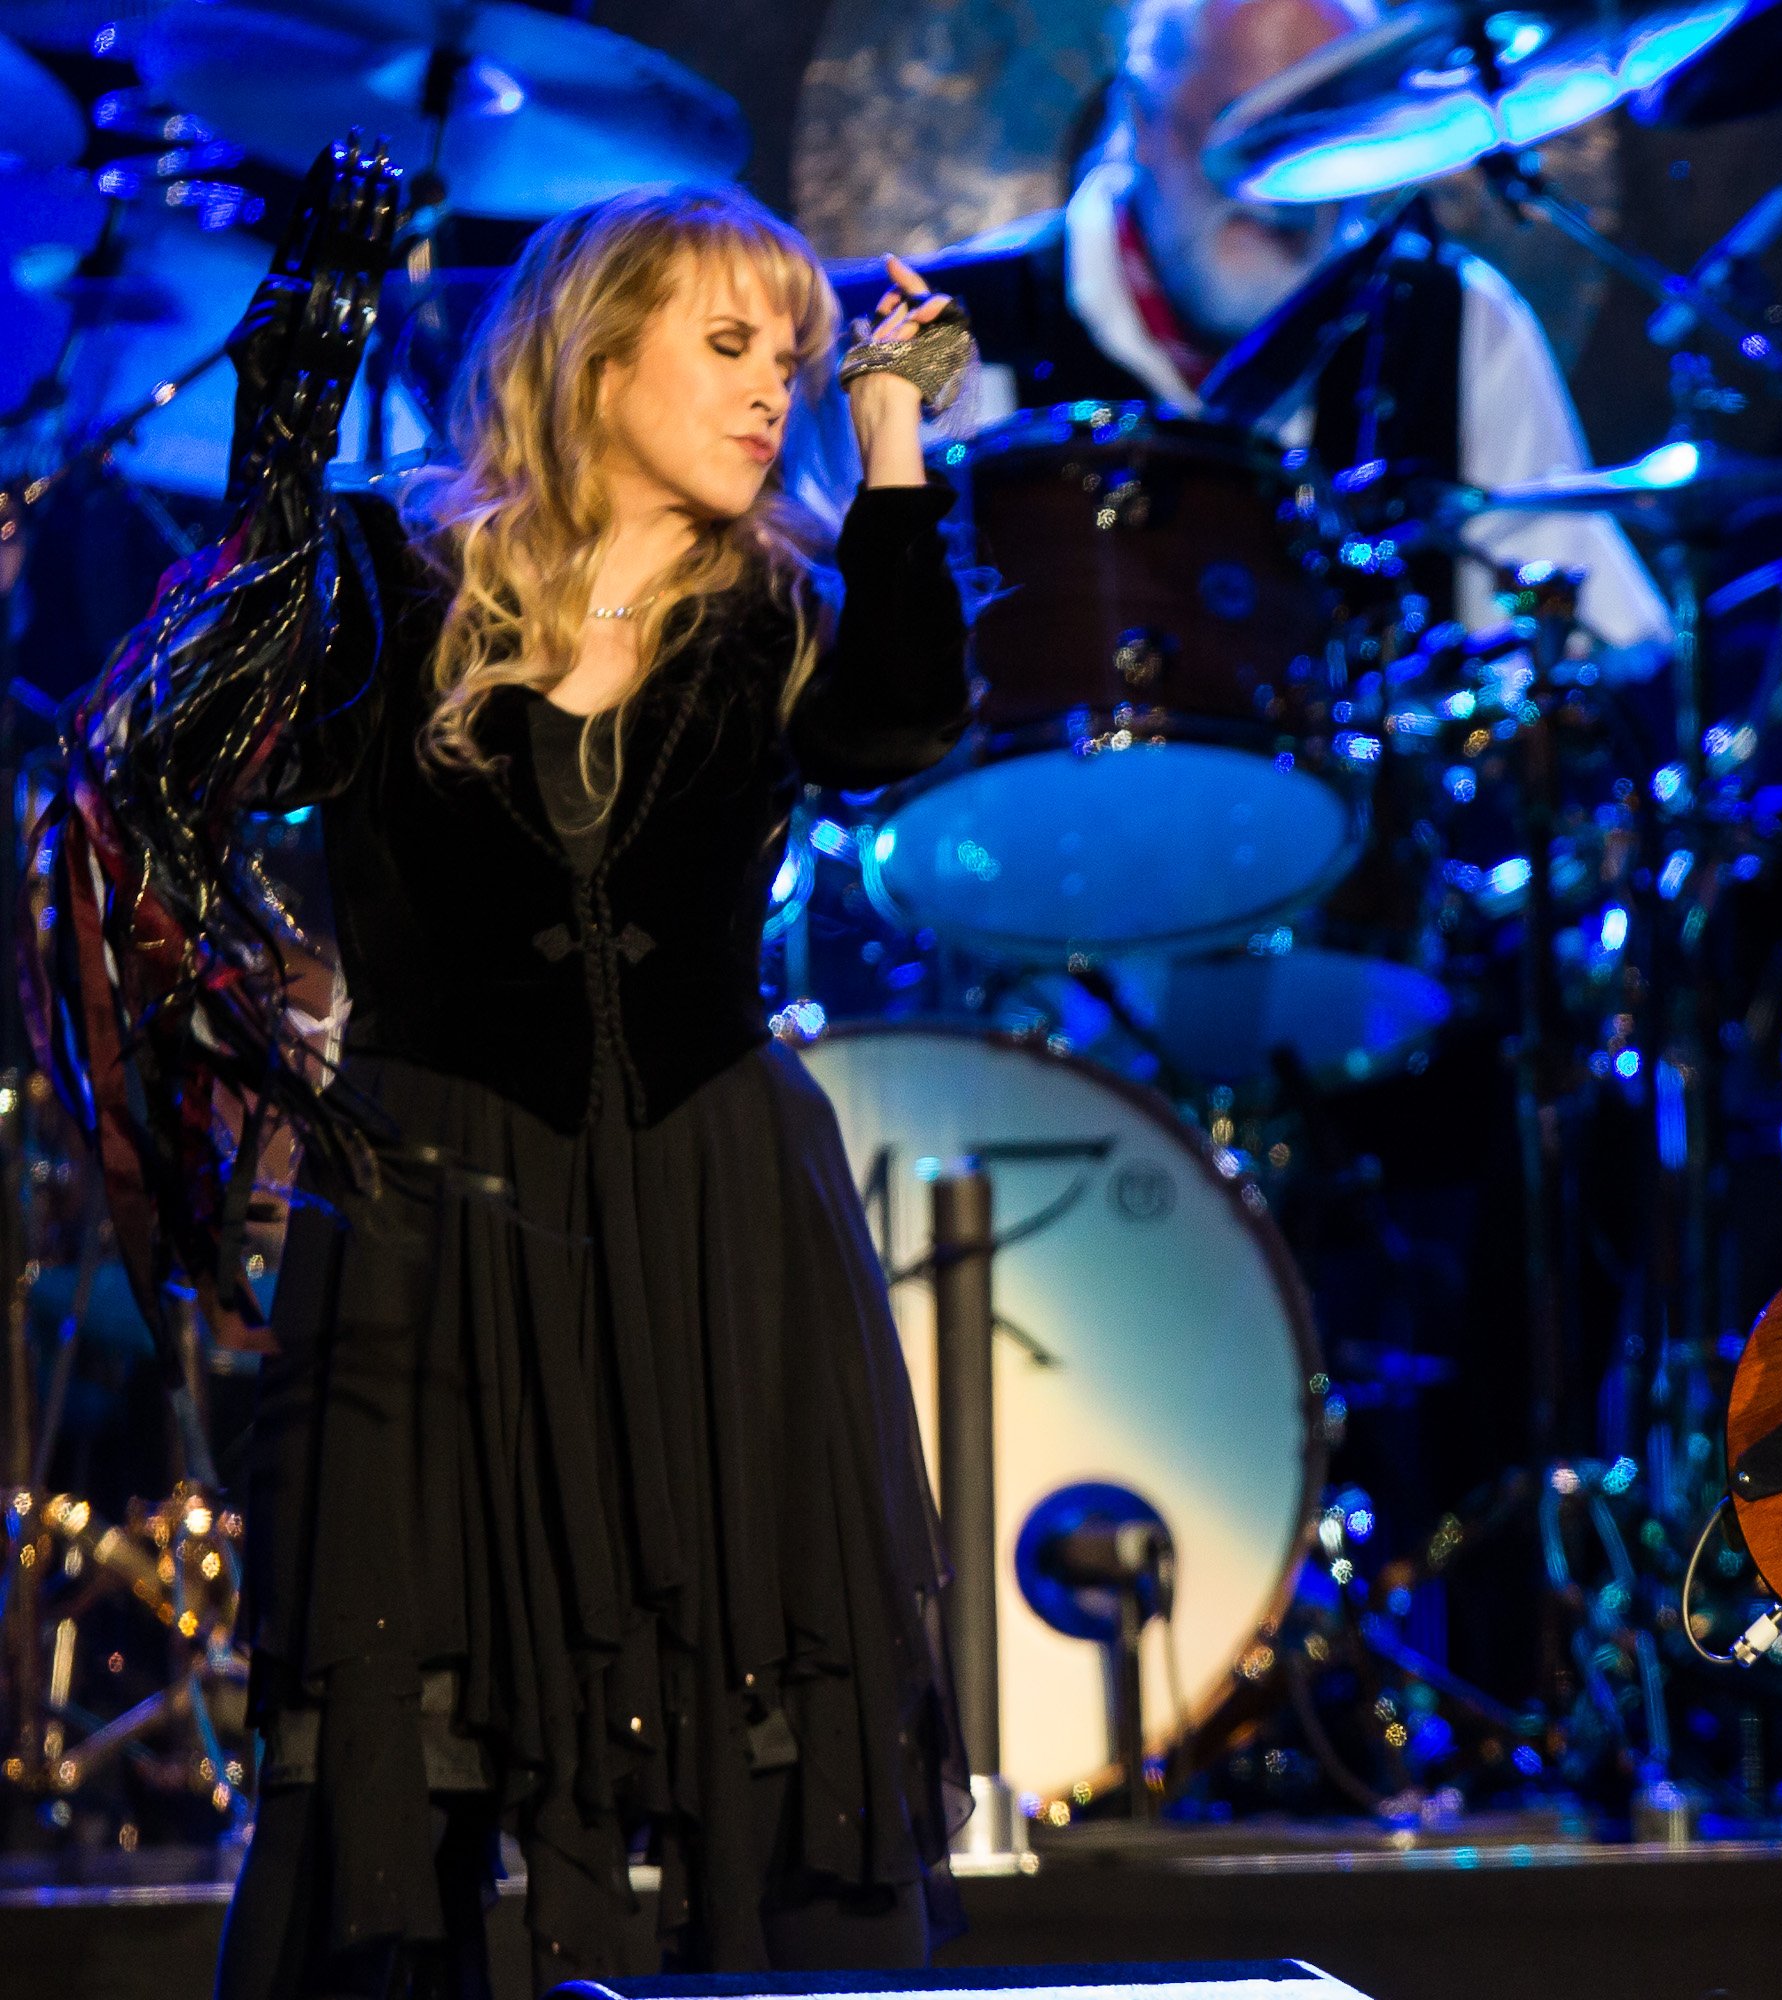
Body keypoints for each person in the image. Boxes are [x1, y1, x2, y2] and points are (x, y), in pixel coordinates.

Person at [205, 185, 976, 1995]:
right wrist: (295, 375)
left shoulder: (777, 607)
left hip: (714, 1212)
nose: (767, 392)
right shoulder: (394, 578)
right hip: (432, 1215)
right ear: (593, 351)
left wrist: (892, 432)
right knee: (426, 1701)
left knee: (759, 1695)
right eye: (730, 351)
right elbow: (240, 705)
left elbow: (899, 728)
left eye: (789, 360)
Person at [908, 0, 1672, 651]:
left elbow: (1594, 649)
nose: (1275, 195)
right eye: (1240, 139)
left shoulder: (1459, 323)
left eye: (1319, 142)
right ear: (1139, 121)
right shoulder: (950, 331)